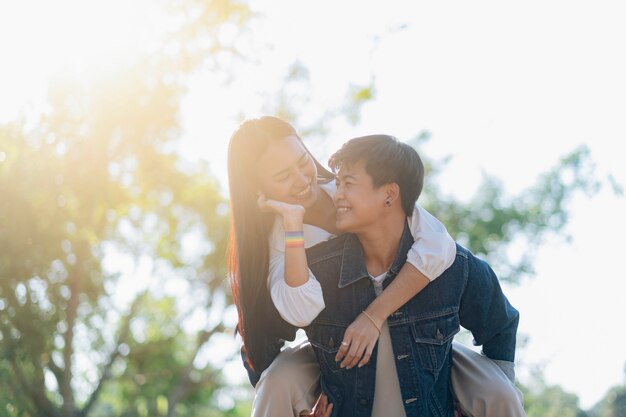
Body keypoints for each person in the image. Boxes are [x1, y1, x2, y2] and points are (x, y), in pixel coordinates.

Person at [226, 117, 524, 416]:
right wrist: (293, 225)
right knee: (277, 382)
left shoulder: (354, 186)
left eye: (302, 161)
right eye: (282, 176)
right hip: (331, 343)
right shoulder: (273, 246)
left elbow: (438, 247)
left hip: (413, 327)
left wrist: (374, 315)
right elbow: (271, 329)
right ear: (258, 188)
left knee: (498, 391)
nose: (302, 179)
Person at [303, 134, 522, 417]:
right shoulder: (320, 268)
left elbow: (500, 326)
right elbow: (265, 338)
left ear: (389, 194)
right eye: (338, 182)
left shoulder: (455, 268)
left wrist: (488, 395)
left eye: (348, 183)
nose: (337, 194)